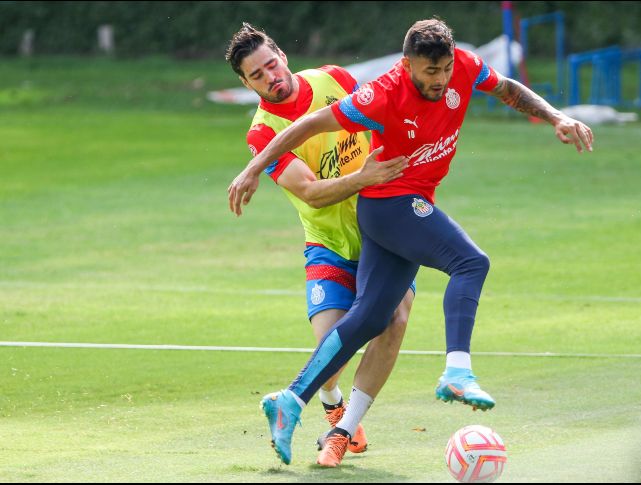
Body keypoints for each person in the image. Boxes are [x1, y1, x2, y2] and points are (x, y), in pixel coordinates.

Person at [228, 18, 594, 467]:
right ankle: (457, 370)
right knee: (471, 263)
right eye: (428, 73)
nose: (438, 81)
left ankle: (292, 401)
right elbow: (308, 143)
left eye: (443, 70)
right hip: (378, 212)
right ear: (408, 65)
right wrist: (252, 170)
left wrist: (556, 115)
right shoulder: (380, 93)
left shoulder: (458, 67)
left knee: (375, 318)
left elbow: (507, 88)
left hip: (384, 213)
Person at [224, 23, 415, 466]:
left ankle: (344, 432)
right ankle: (332, 404)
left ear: (282, 57)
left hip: (381, 232)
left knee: (396, 317)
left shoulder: (334, 79)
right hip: (328, 242)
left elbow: (382, 117)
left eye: (272, 64)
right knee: (331, 350)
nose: (271, 76)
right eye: (257, 74)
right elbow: (309, 191)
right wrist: (364, 177)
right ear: (246, 83)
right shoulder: (262, 134)